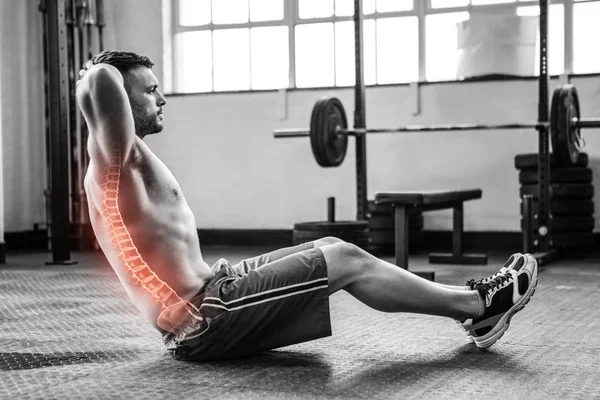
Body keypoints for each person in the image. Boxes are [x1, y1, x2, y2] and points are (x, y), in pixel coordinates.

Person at [76, 50, 538, 362]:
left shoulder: (131, 156)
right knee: (345, 260)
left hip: (215, 286)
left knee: (333, 245)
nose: (161, 98)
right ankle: (478, 306)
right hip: (202, 317)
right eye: (149, 89)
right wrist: (97, 68)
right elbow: (99, 81)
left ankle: (475, 309)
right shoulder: (113, 157)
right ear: (119, 96)